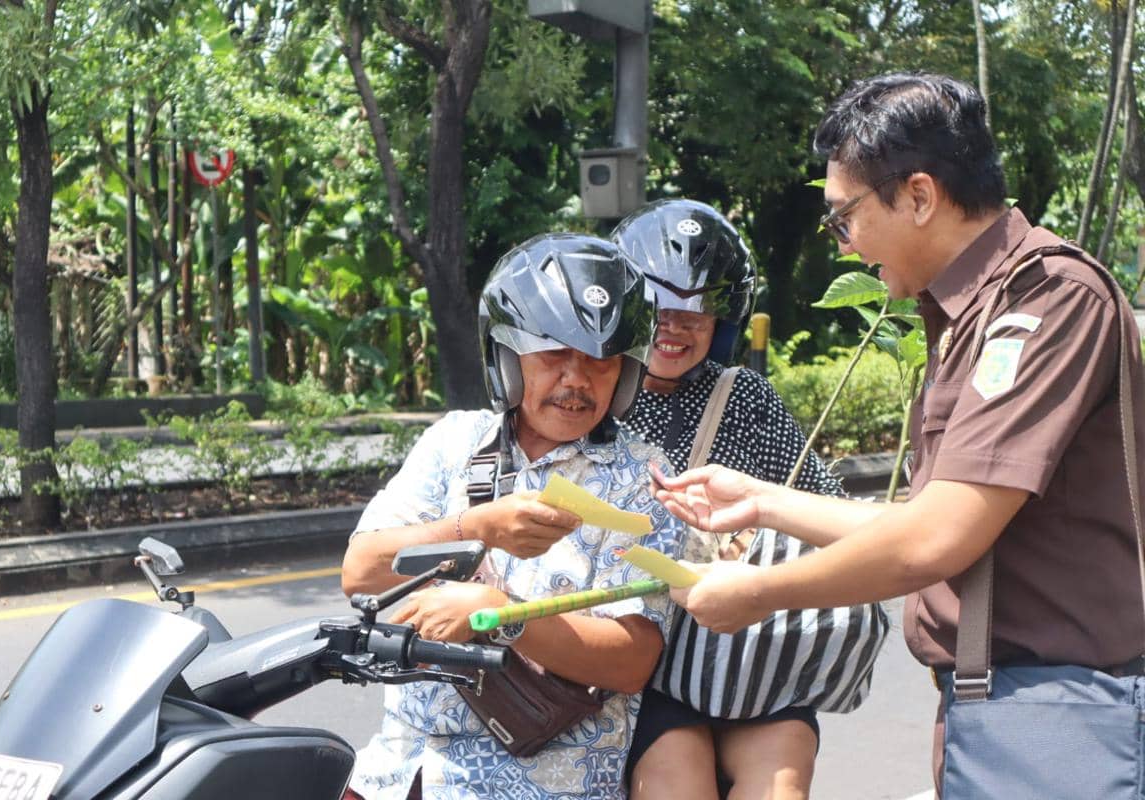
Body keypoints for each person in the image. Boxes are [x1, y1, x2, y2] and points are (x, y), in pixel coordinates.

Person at [651, 72, 1145, 791]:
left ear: (919, 195)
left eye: (842, 217)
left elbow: (935, 540)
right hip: (1001, 707)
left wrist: (759, 593)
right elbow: (925, 521)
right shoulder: (972, 315)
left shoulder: (1046, 301)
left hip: (1057, 712)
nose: (844, 246)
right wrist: (759, 501)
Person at [340, 233, 686, 800]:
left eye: (600, 361)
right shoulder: (454, 443)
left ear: (625, 373)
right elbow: (361, 570)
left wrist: (504, 615)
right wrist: (476, 529)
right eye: (554, 355)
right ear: (507, 356)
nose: (577, 379)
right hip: (397, 773)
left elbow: (631, 659)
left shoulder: (643, 480)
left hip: (537, 784)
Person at [612, 199, 844, 800]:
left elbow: (825, 506)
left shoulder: (743, 397)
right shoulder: (591, 388)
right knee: (680, 783)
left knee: (782, 783)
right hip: (639, 663)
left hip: (741, 657)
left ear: (725, 325)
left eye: (698, 313)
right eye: (659, 307)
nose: (675, 325)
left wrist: (753, 549)